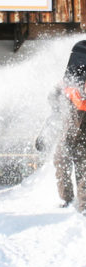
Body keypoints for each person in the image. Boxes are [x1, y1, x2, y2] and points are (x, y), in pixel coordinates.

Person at [50, 77, 86, 213]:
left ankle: (84, 205)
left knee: (84, 172)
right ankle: (66, 199)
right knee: (61, 164)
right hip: (66, 134)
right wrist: (58, 89)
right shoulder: (71, 80)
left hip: (83, 138)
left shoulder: (73, 91)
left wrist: (70, 91)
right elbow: (52, 100)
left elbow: (82, 104)